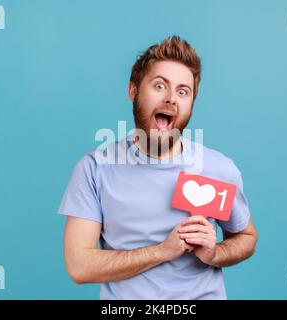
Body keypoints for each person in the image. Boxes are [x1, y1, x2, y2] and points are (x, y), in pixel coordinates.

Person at [58, 35, 258, 299]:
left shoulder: (219, 169)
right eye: (160, 85)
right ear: (133, 91)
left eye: (183, 91)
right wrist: (163, 250)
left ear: (190, 104)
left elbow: (246, 236)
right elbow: (79, 267)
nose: (171, 98)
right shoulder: (95, 168)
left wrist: (215, 253)